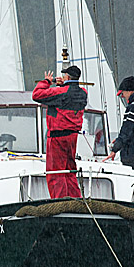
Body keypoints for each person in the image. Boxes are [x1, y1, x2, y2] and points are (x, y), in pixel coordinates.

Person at [32, 65, 88, 198]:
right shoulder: (83, 92)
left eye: (64, 76)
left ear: (67, 77)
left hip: (58, 136)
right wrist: (63, 85)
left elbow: (36, 95)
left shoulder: (60, 92)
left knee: (56, 172)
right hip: (73, 137)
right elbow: (69, 92)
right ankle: (75, 199)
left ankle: (60, 201)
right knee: (70, 170)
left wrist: (47, 82)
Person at [103, 76, 134, 171]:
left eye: (123, 93)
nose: (123, 96)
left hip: (131, 155)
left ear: (130, 91)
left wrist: (115, 149)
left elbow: (127, 131)